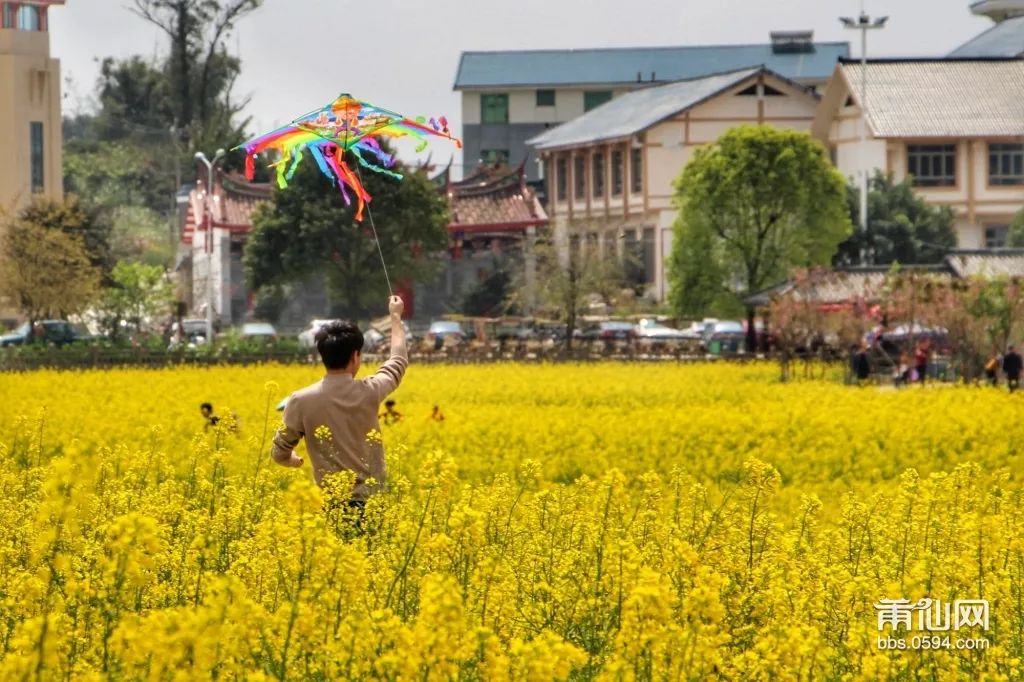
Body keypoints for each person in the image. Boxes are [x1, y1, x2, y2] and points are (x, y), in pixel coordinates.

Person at [271, 295, 408, 511]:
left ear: (323, 356)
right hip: (372, 505)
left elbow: (279, 453)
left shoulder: (300, 400)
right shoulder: (370, 391)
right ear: (355, 356)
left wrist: (292, 460)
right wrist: (395, 316)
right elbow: (398, 360)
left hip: (331, 506)